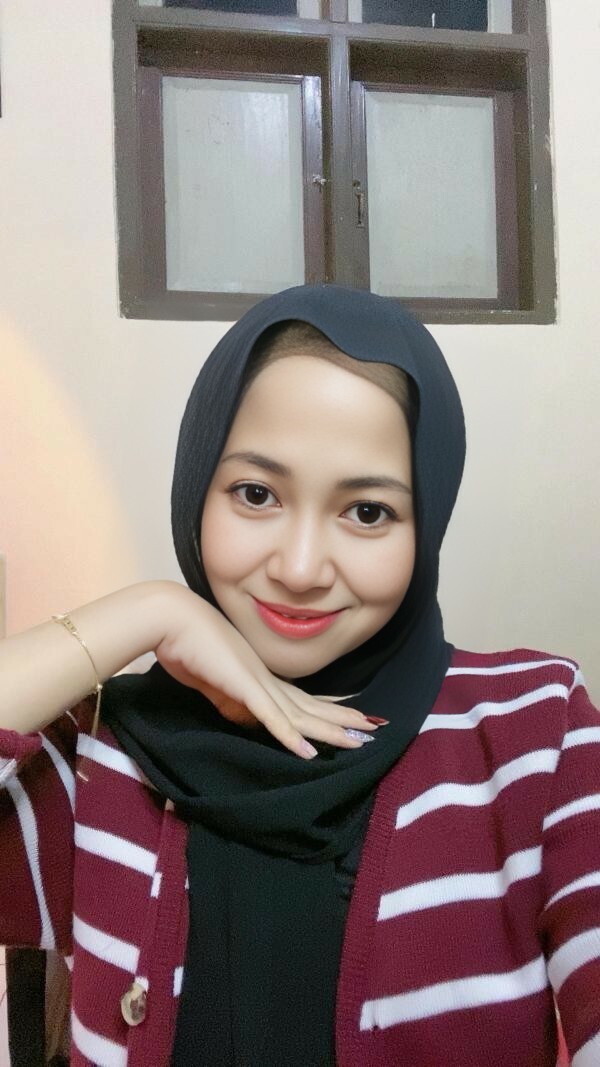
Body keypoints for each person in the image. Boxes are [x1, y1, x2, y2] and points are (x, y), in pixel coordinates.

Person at [0, 284, 598, 1067]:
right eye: (255, 494)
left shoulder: (535, 736)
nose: (301, 567)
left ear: (425, 523)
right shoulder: (106, 755)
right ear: (198, 491)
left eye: (368, 511)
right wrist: (146, 612)